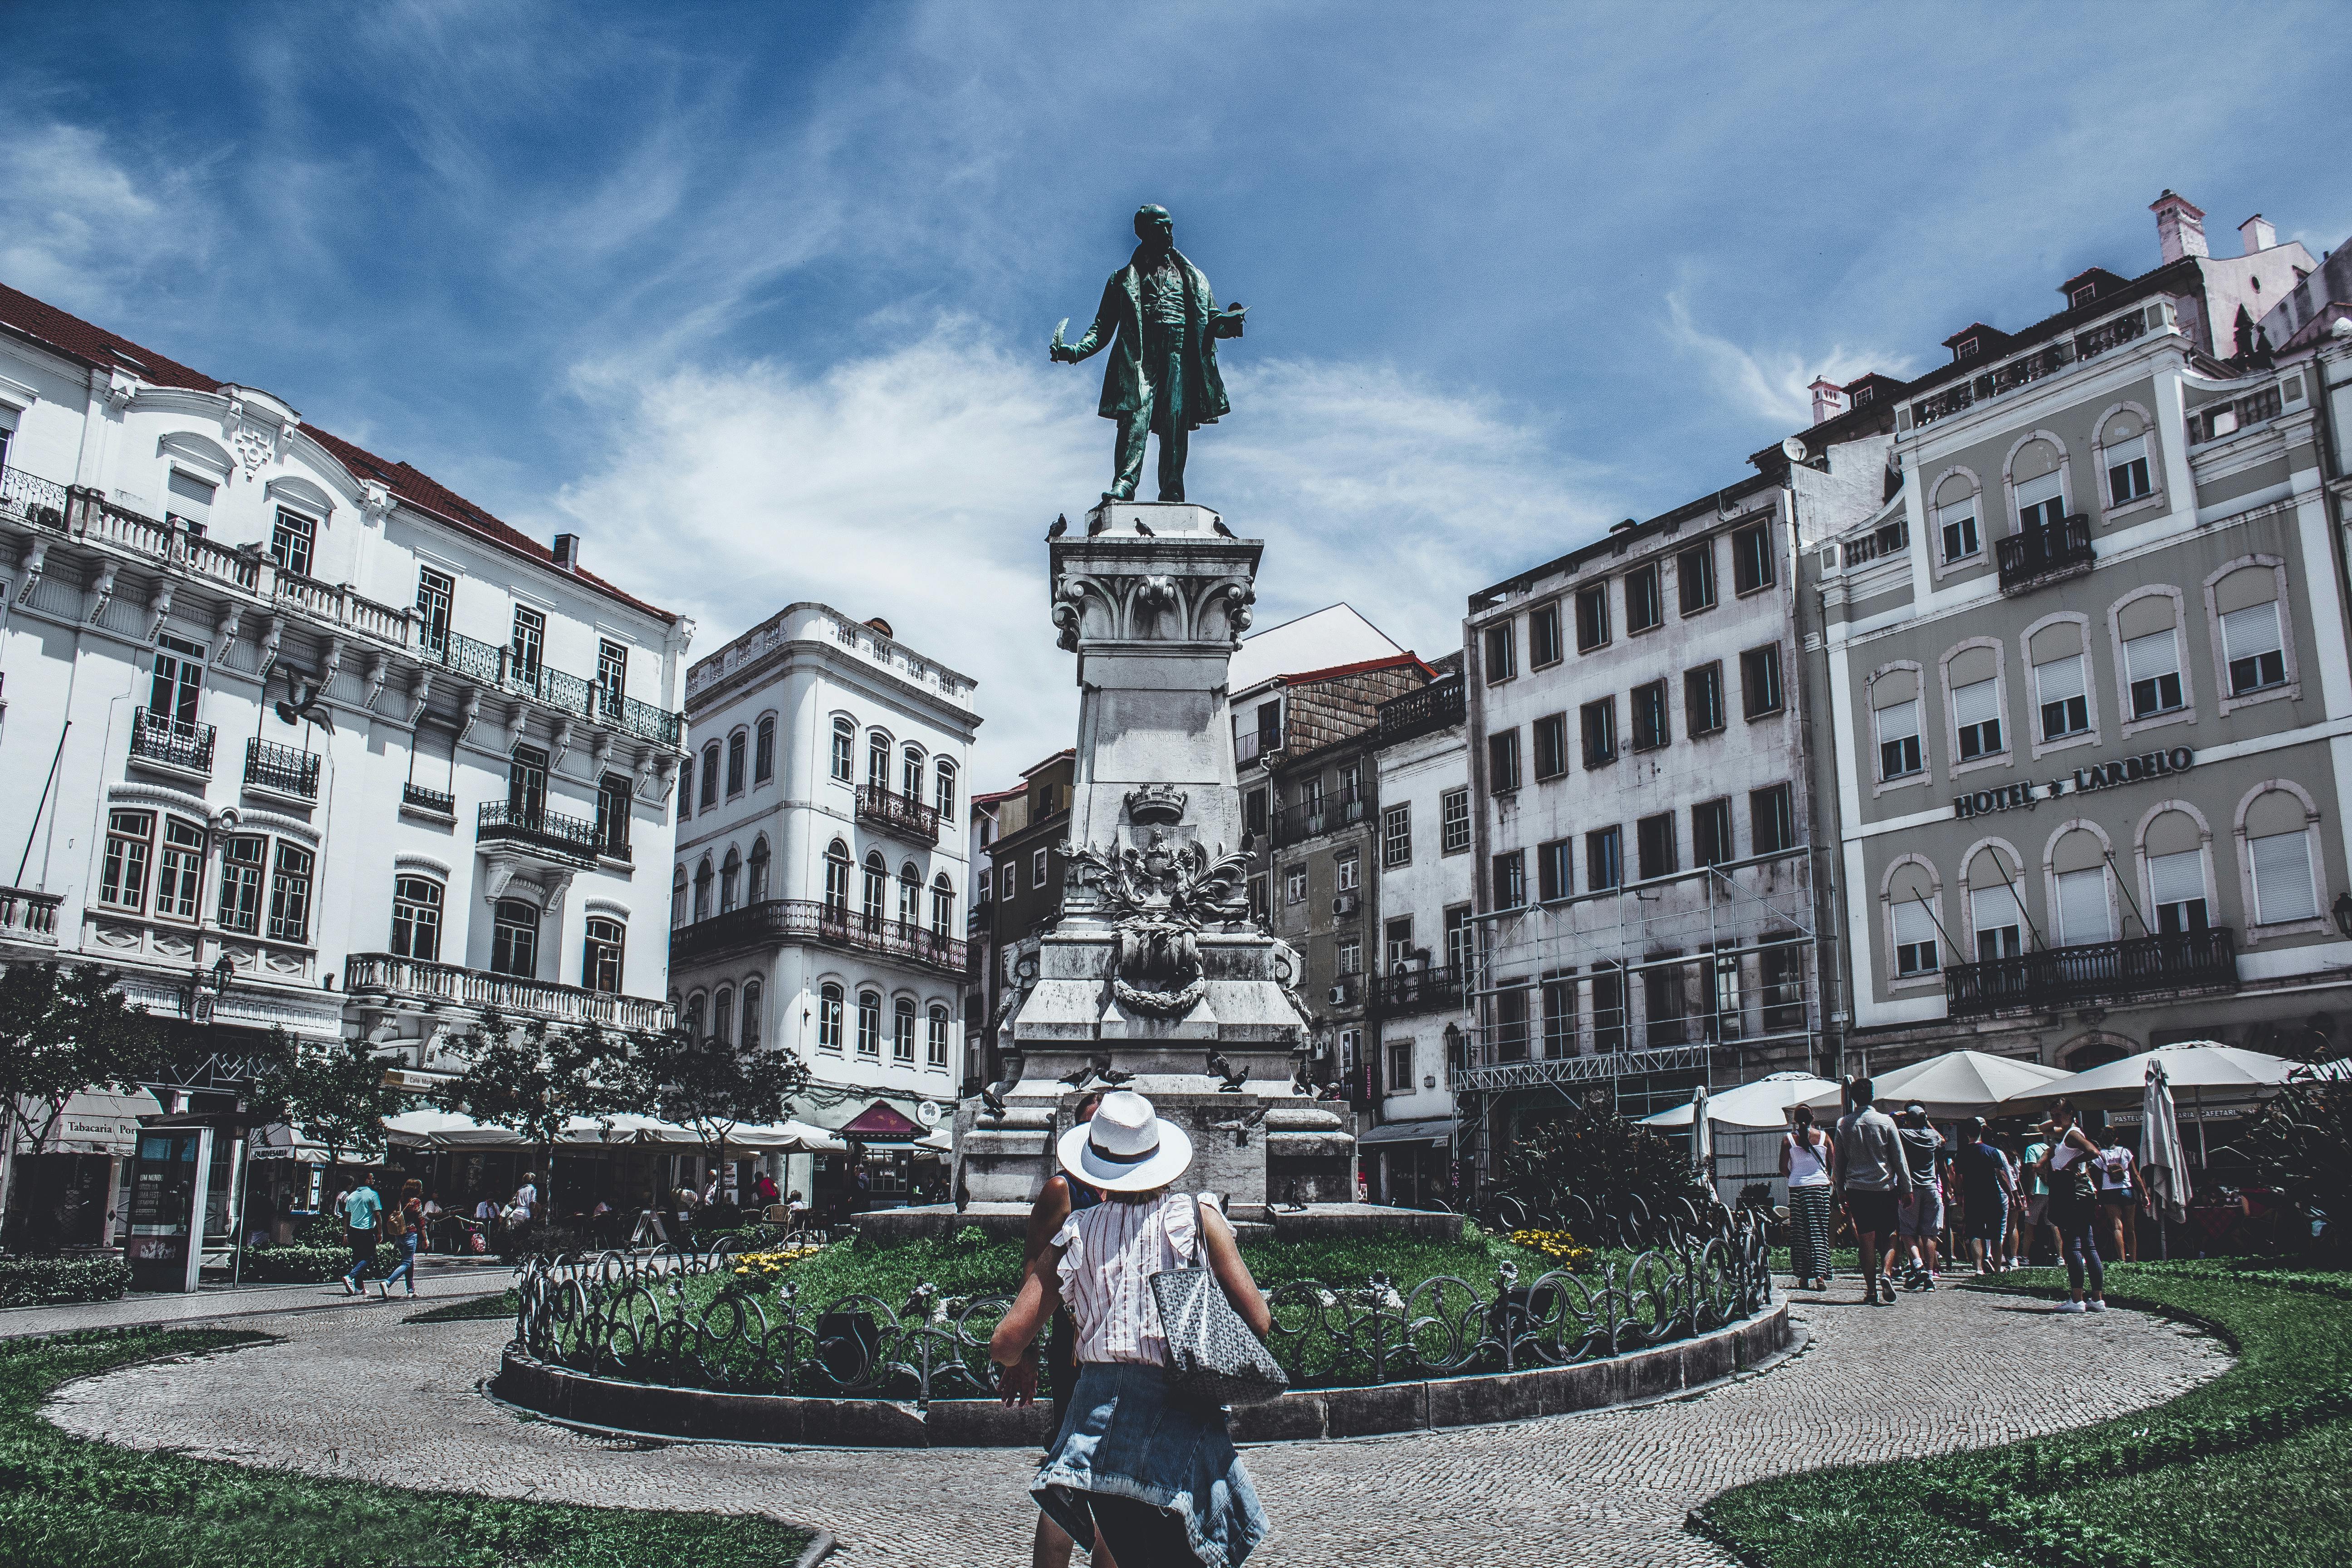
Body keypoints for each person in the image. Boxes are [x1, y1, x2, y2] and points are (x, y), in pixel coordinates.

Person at [991, 1091, 1269, 1567]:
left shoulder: (1076, 1233)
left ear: (1095, 1163)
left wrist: (1022, 1359)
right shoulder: (1196, 1220)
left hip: (1097, 1434)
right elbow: (1259, 1321)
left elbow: (1005, 1342)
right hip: (1181, 1421)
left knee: (1125, 1551)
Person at [1019, 1094, 1115, 1568]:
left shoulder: (1135, 1190)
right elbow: (1033, 1271)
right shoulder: (1063, 1189)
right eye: (1091, 1127)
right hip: (1075, 1350)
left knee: (1115, 1483)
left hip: (1125, 1356)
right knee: (1068, 1468)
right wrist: (1025, 1354)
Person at [1833, 1076, 1913, 1307]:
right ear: (1872, 1096)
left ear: (1852, 1098)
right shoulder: (1886, 1122)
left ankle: (1870, 1291)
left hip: (1857, 1189)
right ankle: (1886, 1274)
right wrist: (1907, 1188)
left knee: (1866, 1240)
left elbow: (1839, 1162)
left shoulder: (1843, 1124)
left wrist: (1840, 1190)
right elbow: (1899, 1158)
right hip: (1884, 1187)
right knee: (1891, 1235)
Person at [2036, 1099, 2108, 1313]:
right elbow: (2042, 1128)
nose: (2055, 1119)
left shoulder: (2073, 1135)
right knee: (2089, 1245)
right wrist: (2060, 1120)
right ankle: (2097, 1298)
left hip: (2071, 1192)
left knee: (2074, 1245)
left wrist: (2071, 1162)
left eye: (2059, 1114)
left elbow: (2094, 1152)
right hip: (2082, 1193)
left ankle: (2077, 1299)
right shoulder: (2068, 1132)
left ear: (2070, 1114)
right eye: (2053, 1115)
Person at [1779, 1103, 1835, 1291]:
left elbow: (1783, 1168)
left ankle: (1803, 1276)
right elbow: (1834, 1164)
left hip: (1797, 1189)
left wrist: (1795, 1177)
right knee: (1819, 1231)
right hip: (1820, 1188)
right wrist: (1828, 1179)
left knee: (1800, 1233)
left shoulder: (1788, 1139)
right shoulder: (1825, 1137)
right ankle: (1820, 1275)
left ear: (1795, 1120)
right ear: (1813, 1118)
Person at [1891, 1104, 1947, 1291]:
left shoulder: (1905, 1135)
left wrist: (1896, 1118)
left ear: (1909, 1121)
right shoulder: (1932, 1137)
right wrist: (1926, 1121)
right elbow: (1942, 1140)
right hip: (1931, 1188)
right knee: (1929, 1234)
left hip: (1911, 1189)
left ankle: (1918, 1264)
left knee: (1907, 1232)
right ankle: (1930, 1277)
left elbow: (1890, 1131)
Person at [1954, 1118, 2018, 1277]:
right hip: (1992, 1196)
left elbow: (1959, 1177)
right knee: (1996, 1234)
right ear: (1981, 1131)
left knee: (1975, 1233)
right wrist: (2011, 1195)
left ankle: (1978, 1268)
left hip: (1972, 1196)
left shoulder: (1962, 1153)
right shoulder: (1992, 1151)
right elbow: (2001, 1175)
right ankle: (1997, 1269)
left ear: (1966, 1133)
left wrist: (1959, 1195)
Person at [2096, 1123, 2142, 1264]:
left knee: (2117, 1227)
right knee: (2130, 1227)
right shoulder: (2125, 1152)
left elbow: (2097, 1176)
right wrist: (2145, 1194)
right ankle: (2134, 1259)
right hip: (2126, 1189)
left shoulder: (2100, 1155)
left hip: (2109, 1191)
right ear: (2116, 1139)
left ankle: (2122, 1259)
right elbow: (2135, 1175)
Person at [338, 1176, 384, 1296]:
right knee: (369, 1257)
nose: (374, 1180)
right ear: (367, 1180)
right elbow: (377, 1214)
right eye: (372, 1178)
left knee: (358, 1259)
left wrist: (346, 1233)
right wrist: (380, 1232)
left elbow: (346, 1216)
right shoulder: (373, 1195)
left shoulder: (352, 1196)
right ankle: (350, 1277)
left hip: (353, 1231)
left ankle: (359, 1288)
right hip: (366, 1231)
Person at [2019, 1127, 2058, 1266]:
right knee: (2053, 1225)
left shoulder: (2031, 1149)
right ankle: (2061, 1257)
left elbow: (2032, 1170)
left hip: (2037, 1190)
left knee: (2029, 1223)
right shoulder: (2049, 1149)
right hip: (2050, 1190)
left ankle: (2025, 1257)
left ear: (2031, 1138)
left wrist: (2028, 1191)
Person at [377, 1208, 422, 1299]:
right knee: (406, 1263)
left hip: (399, 1236)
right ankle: (387, 1283)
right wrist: (425, 1238)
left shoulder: (401, 1201)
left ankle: (410, 1291)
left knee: (410, 1262)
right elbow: (421, 1221)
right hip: (410, 1235)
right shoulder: (415, 1202)